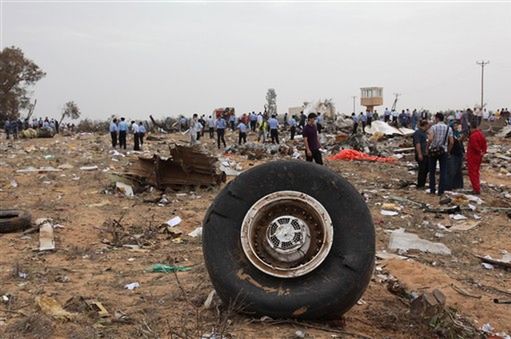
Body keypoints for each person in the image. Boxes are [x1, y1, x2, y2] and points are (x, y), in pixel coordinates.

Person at [428, 113, 453, 196]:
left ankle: (432, 190)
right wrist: (448, 151)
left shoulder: (433, 127)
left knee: (432, 171)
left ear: (437, 118)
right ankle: (441, 191)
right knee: (443, 172)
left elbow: (430, 139)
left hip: (433, 151)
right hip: (443, 151)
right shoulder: (448, 128)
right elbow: (451, 142)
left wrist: (427, 147)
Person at [466, 121, 487, 195]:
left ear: (471, 128)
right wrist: (483, 152)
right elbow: (485, 144)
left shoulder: (473, 136)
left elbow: (475, 146)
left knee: (472, 173)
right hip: (479, 157)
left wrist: (479, 151)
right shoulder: (481, 134)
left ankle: (476, 189)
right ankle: (476, 187)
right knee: (476, 172)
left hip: (473, 156)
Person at [446, 122, 464, 191]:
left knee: (458, 170)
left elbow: (460, 144)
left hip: (459, 154)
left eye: (457, 125)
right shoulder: (450, 134)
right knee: (452, 170)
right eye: (455, 125)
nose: (456, 126)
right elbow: (450, 143)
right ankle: (449, 186)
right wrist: (448, 152)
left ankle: (458, 185)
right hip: (453, 154)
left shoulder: (457, 133)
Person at [413, 120, 429, 188]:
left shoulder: (424, 133)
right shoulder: (418, 133)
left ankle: (423, 183)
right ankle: (420, 185)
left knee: (426, 169)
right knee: (422, 170)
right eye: (427, 125)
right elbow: (417, 144)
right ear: (424, 125)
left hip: (425, 154)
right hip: (421, 153)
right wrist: (419, 154)